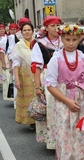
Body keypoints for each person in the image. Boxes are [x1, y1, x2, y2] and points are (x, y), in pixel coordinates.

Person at [45, 24, 84, 159]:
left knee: (83, 134)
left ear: (79, 39)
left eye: (74, 39)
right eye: (67, 39)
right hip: (63, 100)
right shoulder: (56, 59)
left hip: (81, 101)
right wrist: (67, 101)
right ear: (61, 39)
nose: (71, 43)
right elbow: (50, 85)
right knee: (64, 134)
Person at [31, 15, 63, 149]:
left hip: (65, 78)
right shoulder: (40, 43)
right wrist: (37, 87)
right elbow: (36, 67)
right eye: (52, 26)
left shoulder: (66, 40)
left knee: (65, 110)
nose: (56, 28)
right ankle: (53, 141)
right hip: (48, 77)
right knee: (51, 109)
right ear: (46, 28)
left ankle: (65, 138)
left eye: (57, 25)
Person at [12, 22, 35, 130]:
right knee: (29, 98)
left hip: (38, 74)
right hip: (25, 75)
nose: (27, 32)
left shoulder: (38, 43)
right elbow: (16, 63)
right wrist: (16, 79)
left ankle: (41, 119)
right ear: (21, 32)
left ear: (32, 31)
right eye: (25, 30)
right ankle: (32, 121)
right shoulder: (18, 46)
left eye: (29, 30)